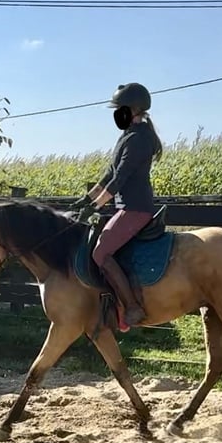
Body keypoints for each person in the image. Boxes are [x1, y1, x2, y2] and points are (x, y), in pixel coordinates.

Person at [71, 82, 164, 327]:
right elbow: (109, 173)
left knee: (101, 252)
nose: (117, 113)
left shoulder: (139, 138)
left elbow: (120, 177)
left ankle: (133, 307)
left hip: (135, 208)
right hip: (126, 207)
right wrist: (89, 198)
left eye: (121, 108)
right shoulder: (127, 136)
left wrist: (97, 205)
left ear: (135, 109)